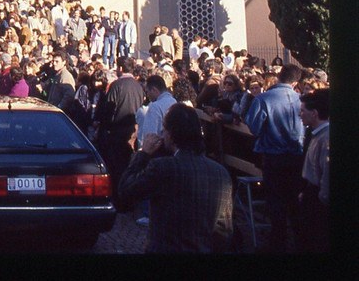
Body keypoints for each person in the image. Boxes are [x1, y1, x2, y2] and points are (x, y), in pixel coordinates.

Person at [118, 103, 233, 253]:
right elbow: (224, 232)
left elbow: (125, 190)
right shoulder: (220, 173)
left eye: (164, 129)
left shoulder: (163, 167)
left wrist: (143, 155)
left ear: (171, 134)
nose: (162, 132)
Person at [244, 63, 305, 253]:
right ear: (295, 82)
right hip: (297, 157)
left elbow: (253, 127)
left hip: (273, 157)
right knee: (295, 202)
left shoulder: (264, 99)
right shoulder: (302, 99)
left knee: (276, 202)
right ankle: (299, 242)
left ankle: (278, 244)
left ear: (279, 76)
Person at [94, 56, 145, 207]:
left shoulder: (117, 85)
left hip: (116, 132)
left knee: (116, 168)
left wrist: (102, 125)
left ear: (121, 68)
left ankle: (119, 199)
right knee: (128, 166)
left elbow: (108, 110)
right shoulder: (138, 86)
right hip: (132, 131)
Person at [295, 88, 329, 252]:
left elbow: (326, 175)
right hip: (311, 193)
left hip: (318, 201)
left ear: (314, 113)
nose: (300, 115)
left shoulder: (325, 138)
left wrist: (321, 200)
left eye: (302, 111)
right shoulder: (316, 135)